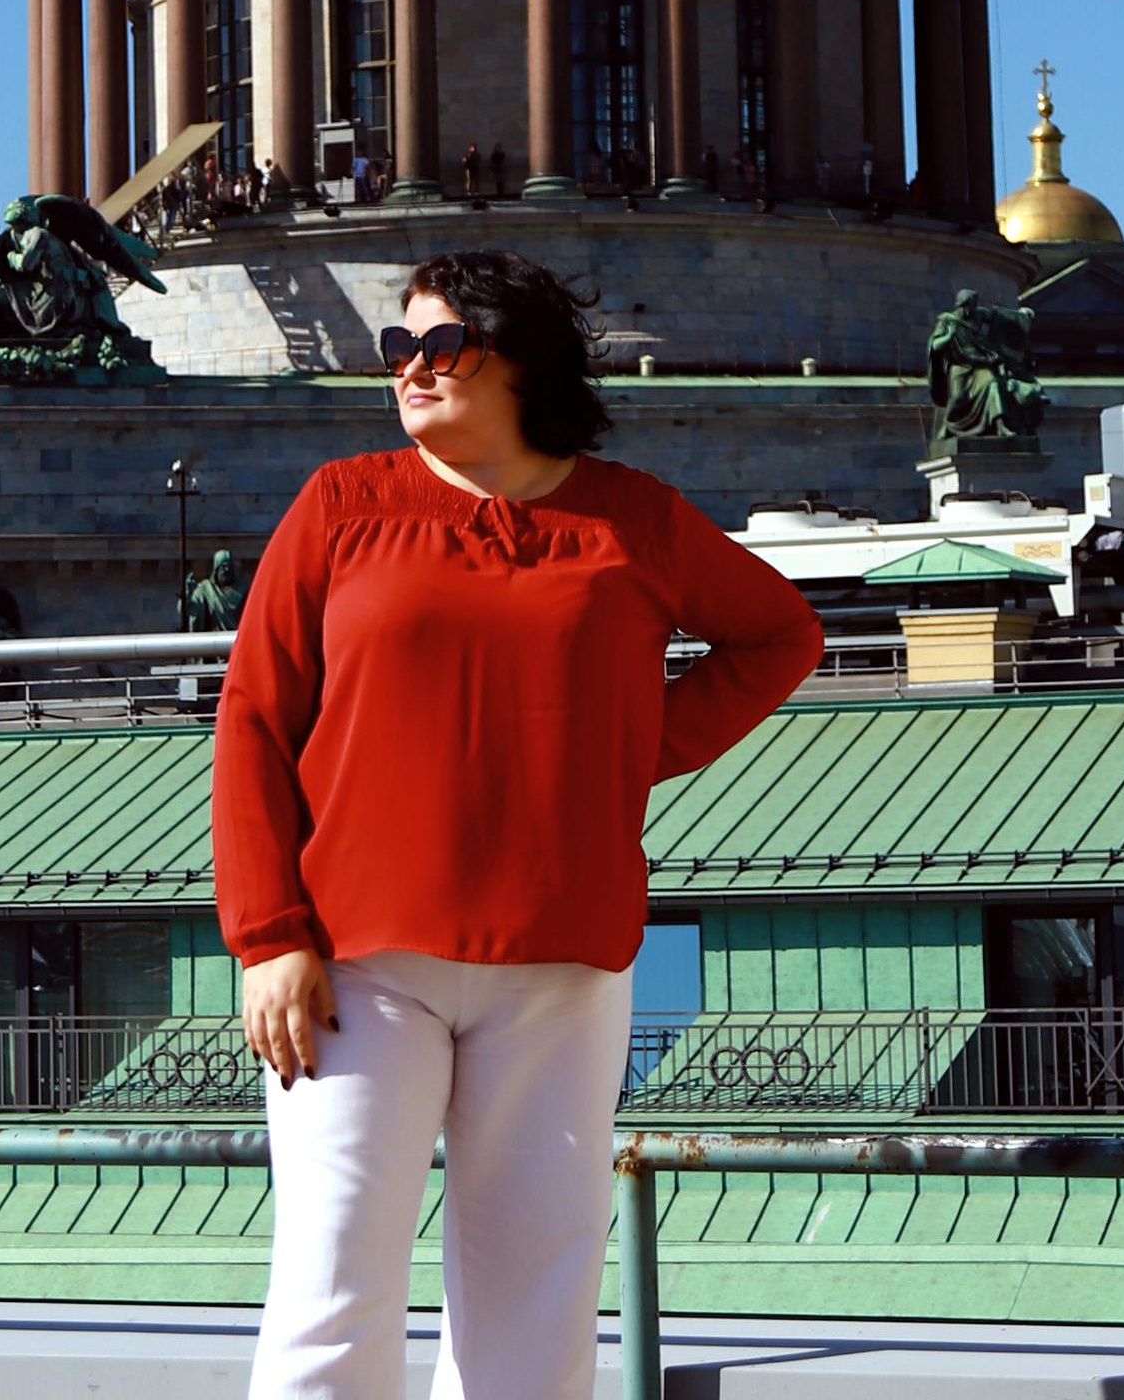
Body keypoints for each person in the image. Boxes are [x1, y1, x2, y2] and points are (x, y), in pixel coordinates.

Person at [214, 250, 822, 1400]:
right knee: (330, 1290)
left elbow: (782, 635)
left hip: (562, 966)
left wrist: (625, 749)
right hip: (353, 966)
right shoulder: (341, 505)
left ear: (520, 359)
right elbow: (252, 718)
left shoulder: (631, 519)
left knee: (537, 1311)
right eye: (397, 347)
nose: (410, 367)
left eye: (440, 345)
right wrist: (266, 936)